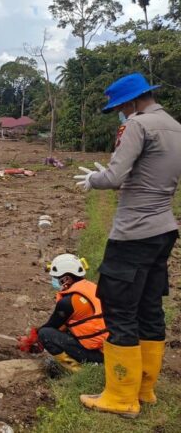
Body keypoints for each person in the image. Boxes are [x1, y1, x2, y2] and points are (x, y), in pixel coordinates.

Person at [73, 73, 181, 418]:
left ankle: (120, 397)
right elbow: (151, 174)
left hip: (133, 233)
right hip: (163, 229)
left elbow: (115, 177)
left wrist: (95, 178)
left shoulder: (138, 125)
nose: (120, 112)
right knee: (150, 307)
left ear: (133, 102)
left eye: (120, 106)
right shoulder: (174, 126)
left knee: (120, 310)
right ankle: (145, 389)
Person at [19, 254, 107, 373]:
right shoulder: (91, 287)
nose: (53, 280)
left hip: (100, 355)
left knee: (45, 334)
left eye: (55, 277)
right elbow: (63, 325)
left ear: (66, 279)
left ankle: (81, 371)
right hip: (110, 349)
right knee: (61, 330)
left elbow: (50, 327)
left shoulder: (68, 302)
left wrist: (31, 339)